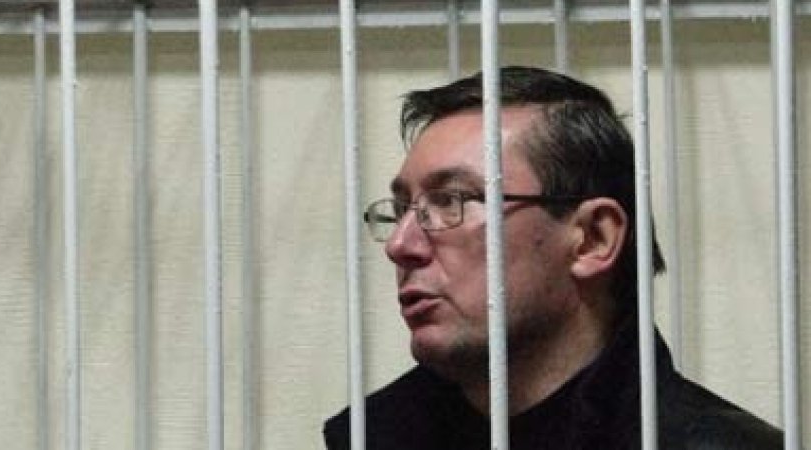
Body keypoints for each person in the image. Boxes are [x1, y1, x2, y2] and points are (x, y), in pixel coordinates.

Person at [323, 66, 783, 450]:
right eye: (402, 208)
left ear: (593, 239)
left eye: (451, 201)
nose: (399, 244)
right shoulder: (369, 436)